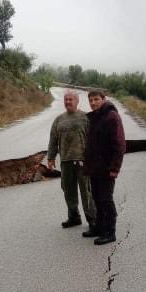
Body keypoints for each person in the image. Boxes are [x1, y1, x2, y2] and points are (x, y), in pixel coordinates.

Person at [47, 91, 97, 229]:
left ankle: (92, 219)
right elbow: (53, 139)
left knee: (86, 192)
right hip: (66, 161)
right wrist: (51, 157)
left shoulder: (86, 118)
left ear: (77, 101)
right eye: (66, 99)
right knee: (68, 190)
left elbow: (94, 139)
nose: (68, 102)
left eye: (70, 99)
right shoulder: (59, 120)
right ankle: (74, 217)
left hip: (83, 161)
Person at [83, 89, 126, 245]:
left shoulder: (111, 117)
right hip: (94, 167)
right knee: (96, 198)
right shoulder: (95, 117)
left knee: (106, 199)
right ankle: (99, 227)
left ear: (103, 99)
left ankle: (110, 232)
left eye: (96, 99)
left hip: (107, 168)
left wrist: (115, 168)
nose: (93, 103)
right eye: (91, 100)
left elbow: (120, 144)